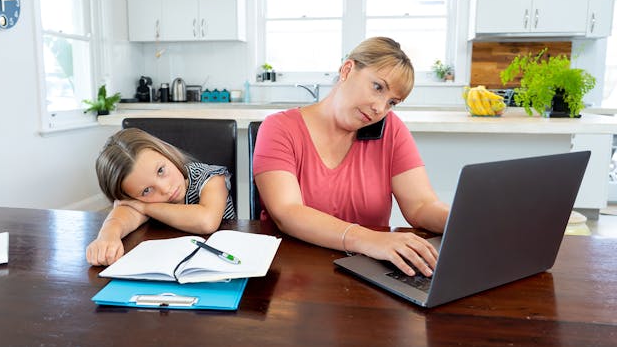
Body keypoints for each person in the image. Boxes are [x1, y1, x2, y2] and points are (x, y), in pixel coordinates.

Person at [253, 37, 450, 277]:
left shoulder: (391, 129)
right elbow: (287, 212)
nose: (380, 108)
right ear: (347, 70)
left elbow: (421, 205)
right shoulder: (279, 128)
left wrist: (461, 221)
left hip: (367, 274)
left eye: (392, 102)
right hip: (293, 275)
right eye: (378, 87)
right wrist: (370, 240)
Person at [86, 128, 236, 266]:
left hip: (224, 259)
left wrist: (145, 207)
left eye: (160, 170)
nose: (165, 189)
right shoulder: (139, 202)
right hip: (173, 266)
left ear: (166, 153)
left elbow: (206, 221)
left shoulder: (211, 177)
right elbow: (121, 216)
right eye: (146, 190)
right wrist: (107, 236)